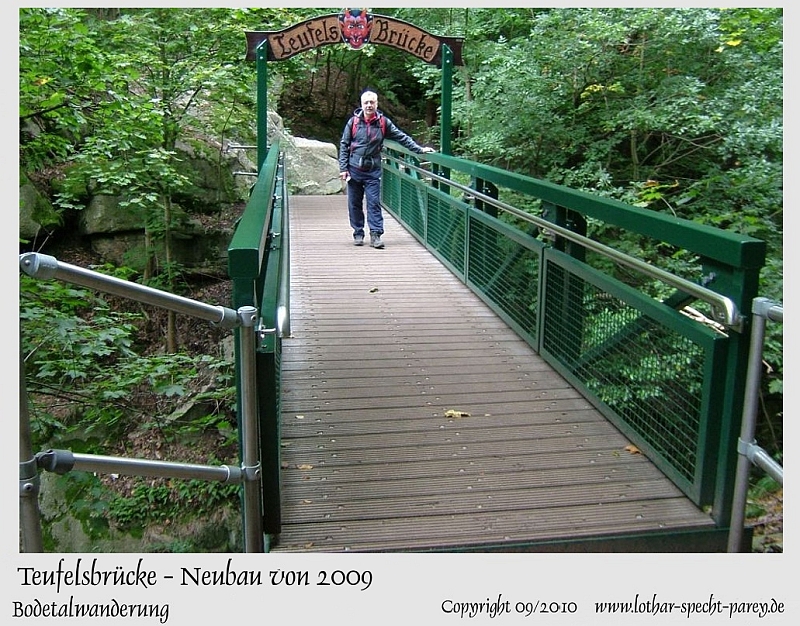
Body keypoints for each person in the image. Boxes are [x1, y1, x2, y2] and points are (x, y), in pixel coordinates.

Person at [338, 89, 435, 248]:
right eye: (366, 103)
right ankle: (358, 233)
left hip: (373, 170)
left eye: (372, 102)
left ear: (376, 104)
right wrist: (343, 168)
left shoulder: (383, 123)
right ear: (362, 104)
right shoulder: (353, 122)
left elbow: (401, 137)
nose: (369, 105)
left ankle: (376, 235)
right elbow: (344, 145)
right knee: (354, 203)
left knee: (374, 202)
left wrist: (419, 149)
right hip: (354, 168)